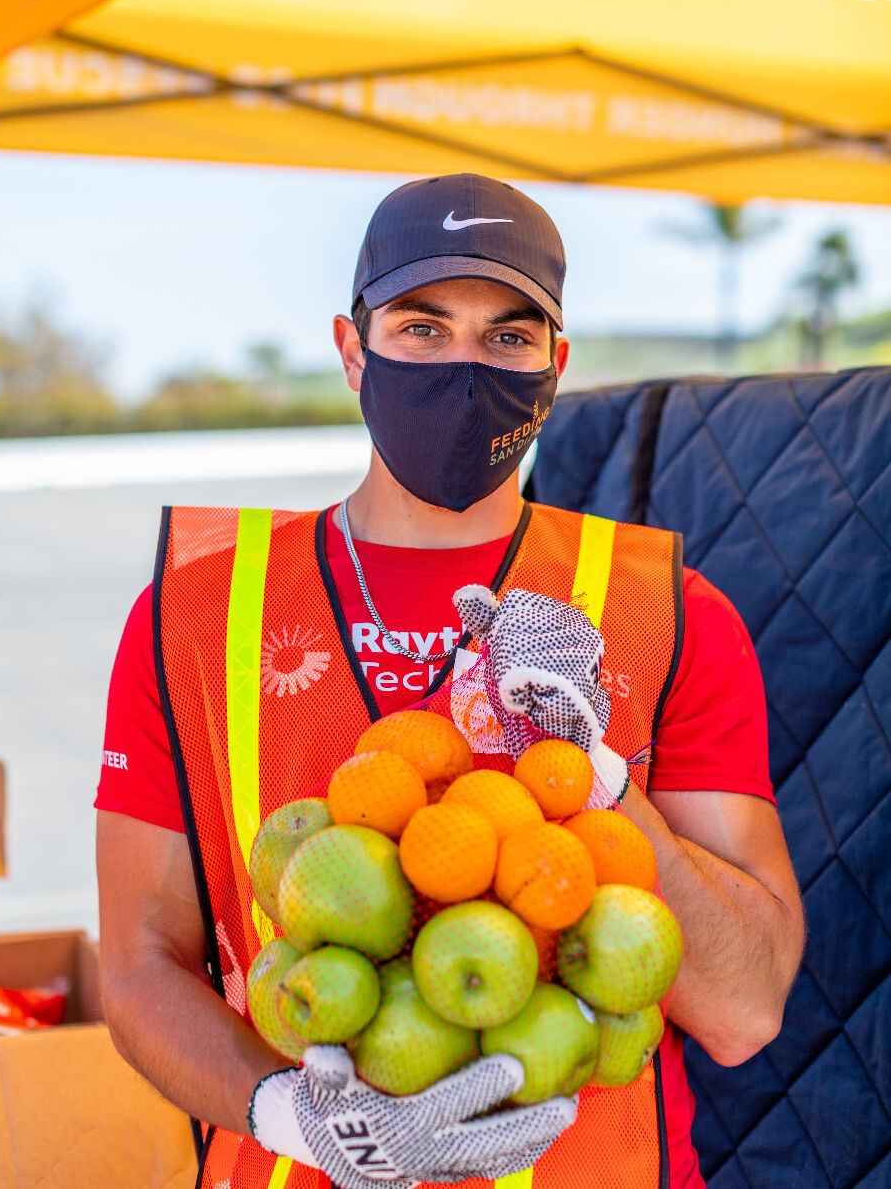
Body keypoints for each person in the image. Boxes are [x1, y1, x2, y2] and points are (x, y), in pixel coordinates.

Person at [96, 173, 804, 1189]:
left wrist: (597, 779)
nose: (465, 366)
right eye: (423, 329)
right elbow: (133, 965)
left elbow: (746, 1008)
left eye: (507, 338)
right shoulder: (190, 616)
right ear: (352, 350)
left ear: (554, 366)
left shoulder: (672, 610)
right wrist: (288, 1118)